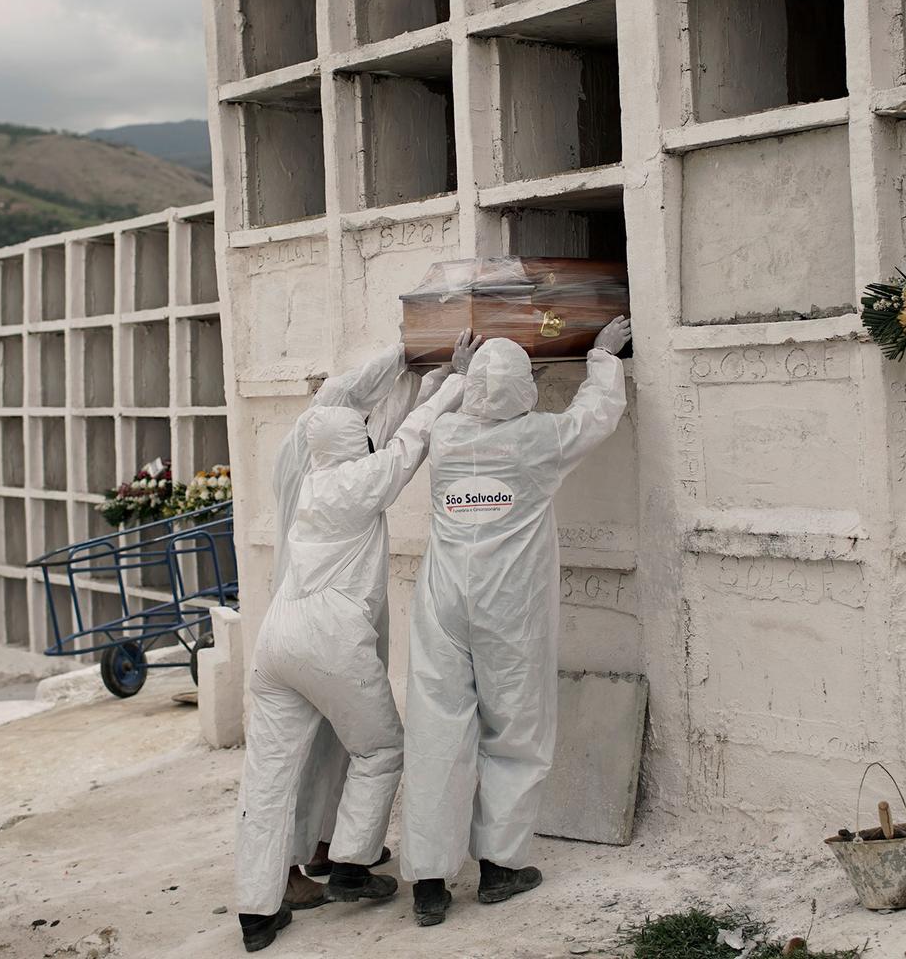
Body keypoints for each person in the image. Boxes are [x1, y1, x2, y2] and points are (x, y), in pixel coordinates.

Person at [233, 352, 472, 953]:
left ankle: (257, 915)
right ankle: (349, 865)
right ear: (356, 440)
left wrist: (433, 378)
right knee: (382, 748)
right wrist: (458, 379)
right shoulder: (363, 480)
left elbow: (389, 434)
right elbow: (411, 438)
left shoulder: (310, 478)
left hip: (277, 639)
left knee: (266, 781)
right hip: (328, 638)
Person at [399, 316, 632, 927]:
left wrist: (450, 373)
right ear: (525, 389)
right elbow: (594, 418)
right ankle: (500, 867)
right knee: (516, 728)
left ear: (475, 389)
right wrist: (602, 358)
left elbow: (421, 418)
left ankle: (428, 881)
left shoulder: (446, 436)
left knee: (435, 730)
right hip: (510, 609)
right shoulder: (536, 440)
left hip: (442, 603)